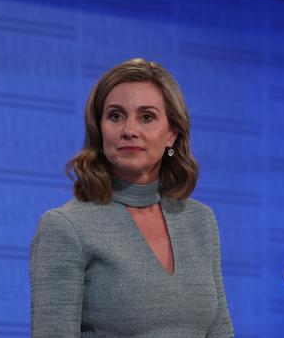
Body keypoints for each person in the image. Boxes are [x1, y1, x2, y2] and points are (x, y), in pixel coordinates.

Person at [29, 58, 234, 337]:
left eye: (146, 117)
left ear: (172, 134)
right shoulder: (66, 227)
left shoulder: (200, 221)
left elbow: (220, 331)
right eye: (115, 116)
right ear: (99, 131)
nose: (129, 130)